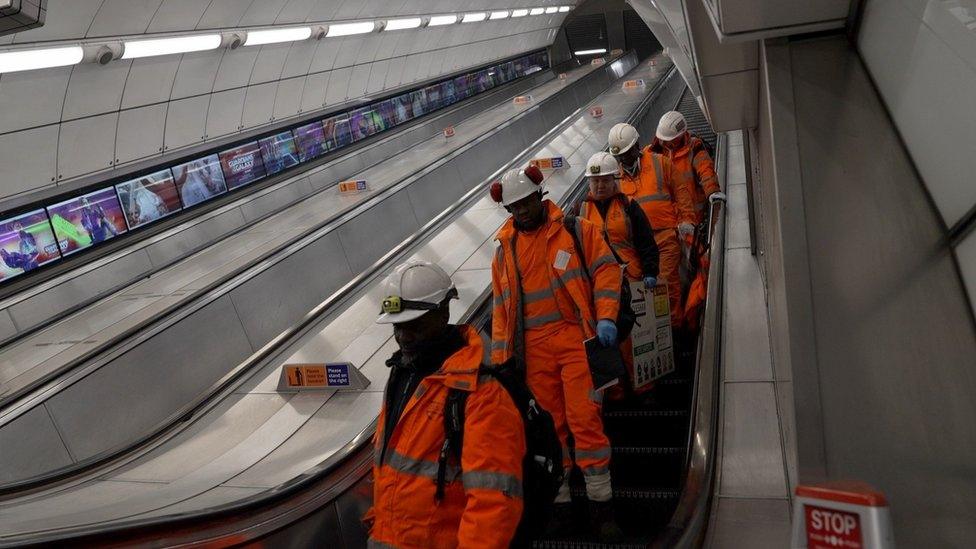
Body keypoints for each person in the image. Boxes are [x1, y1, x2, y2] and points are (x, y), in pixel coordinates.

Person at [489, 166, 624, 541]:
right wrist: (502, 365)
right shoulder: (505, 251)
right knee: (550, 431)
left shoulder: (575, 230)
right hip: (533, 354)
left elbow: (607, 270)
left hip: (576, 342)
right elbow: (501, 312)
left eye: (526, 203)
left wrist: (607, 317)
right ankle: (560, 505)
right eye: (514, 208)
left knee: (585, 421)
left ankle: (602, 507)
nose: (522, 213)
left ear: (540, 195)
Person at [364, 261, 526, 549]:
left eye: (413, 325)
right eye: (397, 327)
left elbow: (493, 503)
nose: (403, 337)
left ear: (443, 313)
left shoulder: (480, 395)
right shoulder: (401, 374)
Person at [579, 152, 660, 395]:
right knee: (607, 341)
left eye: (604, 180)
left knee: (637, 338)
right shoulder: (581, 212)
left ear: (614, 179)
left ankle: (644, 388)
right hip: (601, 287)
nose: (599, 186)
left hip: (631, 280)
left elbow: (646, 241)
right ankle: (616, 392)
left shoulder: (629, 206)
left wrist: (650, 271)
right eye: (595, 182)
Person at [609, 122, 695, 328]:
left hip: (664, 239)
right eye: (620, 156)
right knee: (639, 293)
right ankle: (651, 337)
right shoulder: (615, 179)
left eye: (628, 153)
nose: (624, 159)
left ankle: (674, 331)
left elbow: (681, 192)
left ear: (637, 146)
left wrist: (686, 221)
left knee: (666, 286)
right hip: (636, 247)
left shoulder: (660, 163)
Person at [650, 111, 725, 223]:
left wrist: (713, 191)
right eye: (667, 140)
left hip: (694, 216)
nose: (670, 143)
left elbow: (705, 170)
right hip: (670, 219)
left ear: (682, 134)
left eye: (674, 139)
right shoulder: (653, 153)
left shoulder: (694, 148)